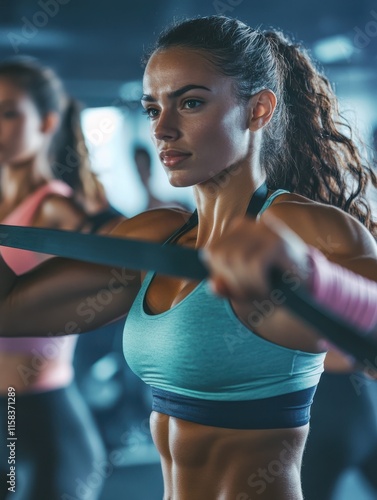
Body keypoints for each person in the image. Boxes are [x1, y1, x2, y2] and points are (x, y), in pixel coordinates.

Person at [0, 16, 376, 500]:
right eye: (153, 109)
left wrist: (308, 274)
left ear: (258, 109)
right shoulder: (155, 237)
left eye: (191, 103)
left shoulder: (303, 226)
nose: (163, 128)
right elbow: (10, 311)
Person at [0, 59, 112, 500]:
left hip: (42, 416)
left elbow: (116, 287)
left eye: (9, 112)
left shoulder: (57, 211)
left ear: (47, 122)